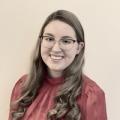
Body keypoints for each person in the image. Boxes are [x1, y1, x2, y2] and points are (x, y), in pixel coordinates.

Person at [8, 10, 107, 120]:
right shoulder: (23, 87)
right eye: (49, 39)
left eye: (66, 41)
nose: (55, 49)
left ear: (79, 47)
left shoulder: (91, 95)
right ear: (41, 41)